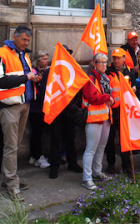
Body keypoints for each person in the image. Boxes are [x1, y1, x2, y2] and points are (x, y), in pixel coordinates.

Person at [0, 25, 38, 201]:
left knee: (14, 145)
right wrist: (27, 77)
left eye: (28, 40)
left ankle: (8, 180)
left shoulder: (24, 54)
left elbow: (26, 76)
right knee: (11, 146)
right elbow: (2, 81)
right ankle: (12, 184)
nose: (26, 43)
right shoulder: (3, 53)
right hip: (10, 107)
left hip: (25, 105)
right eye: (23, 39)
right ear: (14, 37)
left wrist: (33, 78)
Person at [47, 45, 83, 180]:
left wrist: (75, 105)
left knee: (70, 138)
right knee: (55, 139)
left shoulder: (74, 71)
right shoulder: (50, 72)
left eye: (68, 54)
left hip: (70, 111)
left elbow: (79, 89)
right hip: (56, 111)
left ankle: (72, 163)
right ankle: (54, 167)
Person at [82, 53, 114, 190]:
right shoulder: (90, 78)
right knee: (91, 149)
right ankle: (87, 178)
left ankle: (97, 172)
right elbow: (92, 97)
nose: (103, 65)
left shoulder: (105, 78)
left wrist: (108, 99)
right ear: (94, 63)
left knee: (101, 147)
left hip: (105, 117)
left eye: (105, 62)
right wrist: (107, 97)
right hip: (94, 117)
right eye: (100, 62)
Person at [105, 48, 136, 176]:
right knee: (110, 139)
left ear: (124, 58)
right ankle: (111, 164)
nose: (116, 60)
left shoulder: (130, 72)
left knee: (125, 140)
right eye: (114, 58)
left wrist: (134, 88)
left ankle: (127, 165)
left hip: (125, 111)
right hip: (112, 112)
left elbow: (134, 86)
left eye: (118, 58)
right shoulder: (107, 72)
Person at [28, 51, 50, 169]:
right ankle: (38, 156)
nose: (47, 61)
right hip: (35, 108)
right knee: (37, 133)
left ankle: (33, 156)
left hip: (41, 107)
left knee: (37, 133)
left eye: (47, 59)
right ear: (38, 60)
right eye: (44, 59)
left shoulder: (44, 72)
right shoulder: (33, 72)